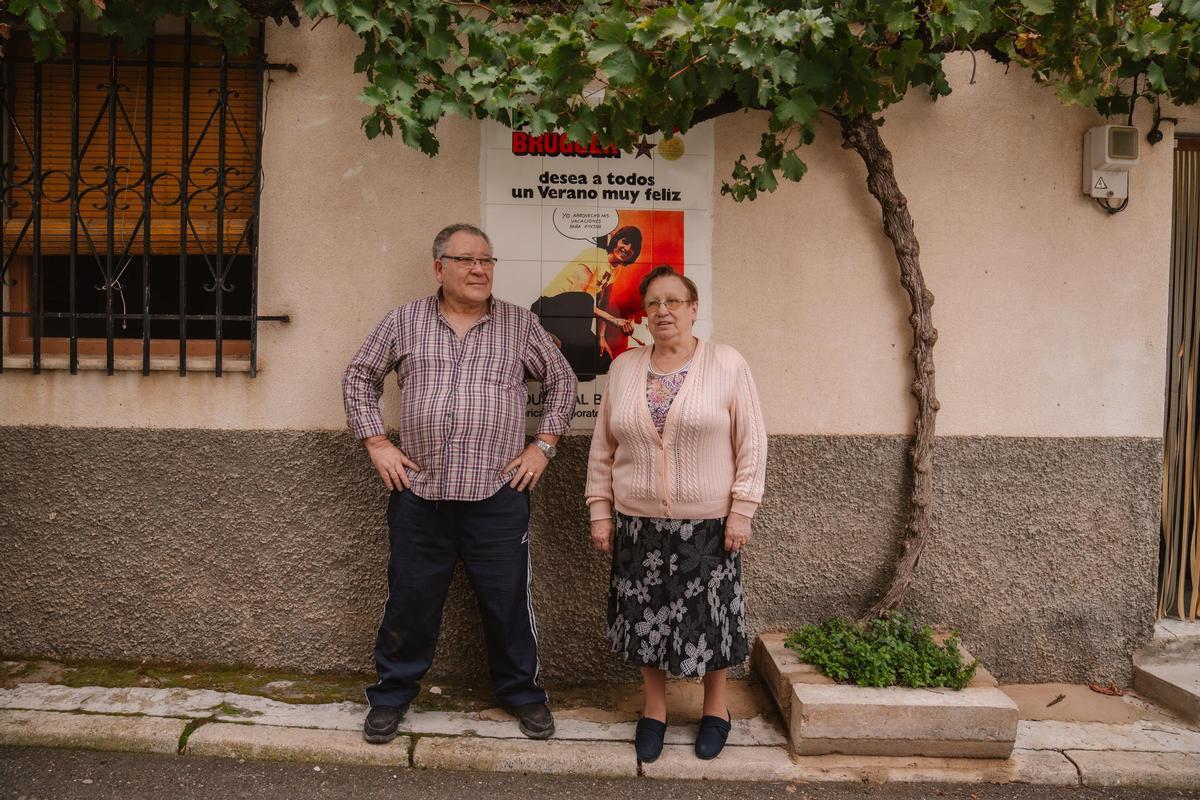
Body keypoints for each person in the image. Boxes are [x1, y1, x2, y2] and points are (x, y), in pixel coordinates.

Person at [343, 223, 577, 745]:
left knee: (507, 601)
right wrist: (377, 442)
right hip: (419, 494)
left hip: (497, 494)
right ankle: (392, 695)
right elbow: (359, 376)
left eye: (487, 261)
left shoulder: (518, 325)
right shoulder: (403, 321)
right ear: (439, 267)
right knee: (410, 600)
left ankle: (522, 694)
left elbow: (562, 380)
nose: (479, 270)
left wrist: (542, 447)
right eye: (467, 260)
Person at [585, 265, 767, 763]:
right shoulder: (624, 367)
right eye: (654, 303)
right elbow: (603, 447)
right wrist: (600, 511)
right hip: (637, 522)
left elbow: (752, 443)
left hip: (706, 523)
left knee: (711, 620)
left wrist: (742, 510)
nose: (663, 311)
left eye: (674, 302)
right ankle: (655, 712)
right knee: (646, 621)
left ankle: (716, 710)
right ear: (645, 312)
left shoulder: (726, 364)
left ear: (693, 309)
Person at [538, 225, 647, 372]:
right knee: (585, 300)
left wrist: (601, 338)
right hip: (549, 309)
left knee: (602, 360)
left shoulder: (616, 269)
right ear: (616, 241)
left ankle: (562, 360)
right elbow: (576, 301)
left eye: (632, 247)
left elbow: (603, 304)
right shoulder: (595, 255)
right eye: (625, 242)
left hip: (571, 318)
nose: (627, 248)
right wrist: (614, 320)